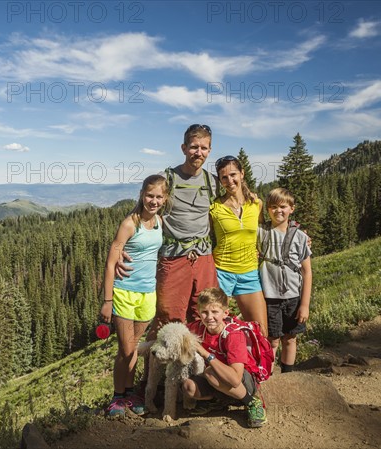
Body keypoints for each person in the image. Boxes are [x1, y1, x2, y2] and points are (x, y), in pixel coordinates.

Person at [117, 124, 220, 334]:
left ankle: (197, 365)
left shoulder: (213, 182)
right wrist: (120, 248)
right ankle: (158, 367)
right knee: (168, 319)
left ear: (209, 150)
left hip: (204, 258)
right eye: (193, 147)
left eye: (203, 148)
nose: (198, 152)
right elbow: (144, 209)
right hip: (173, 258)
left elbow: (233, 205)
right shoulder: (168, 179)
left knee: (204, 314)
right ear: (183, 148)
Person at [101, 174, 168, 417]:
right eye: (150, 195)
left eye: (159, 196)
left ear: (165, 198)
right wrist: (107, 301)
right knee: (125, 350)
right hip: (124, 292)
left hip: (147, 293)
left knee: (134, 349)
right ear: (142, 194)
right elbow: (110, 263)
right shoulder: (130, 223)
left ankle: (129, 394)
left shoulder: (160, 222)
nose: (154, 200)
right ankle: (117, 397)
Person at [184, 288, 267, 428]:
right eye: (204, 312)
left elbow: (235, 379)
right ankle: (221, 401)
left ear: (225, 313)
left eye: (215, 312)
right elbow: (178, 331)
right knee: (189, 387)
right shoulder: (198, 328)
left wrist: (205, 353)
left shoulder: (233, 335)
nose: (209, 317)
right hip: (217, 379)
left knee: (211, 372)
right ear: (199, 313)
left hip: (242, 382)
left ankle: (252, 402)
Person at [209, 155, 268, 336]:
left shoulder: (256, 204)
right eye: (224, 177)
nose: (230, 181)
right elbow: (206, 237)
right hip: (221, 273)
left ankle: (255, 365)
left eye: (233, 174)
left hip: (249, 273)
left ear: (242, 174)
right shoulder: (214, 208)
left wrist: (298, 235)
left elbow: (267, 230)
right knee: (215, 332)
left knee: (260, 332)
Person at [258, 187, 312, 373]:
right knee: (271, 340)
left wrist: (304, 304)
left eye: (283, 206)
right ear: (267, 209)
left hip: (293, 297)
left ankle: (288, 375)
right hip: (269, 297)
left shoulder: (301, 237)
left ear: (292, 208)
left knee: (290, 338)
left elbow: (307, 272)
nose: (278, 211)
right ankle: (269, 377)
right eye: (273, 207)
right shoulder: (261, 232)